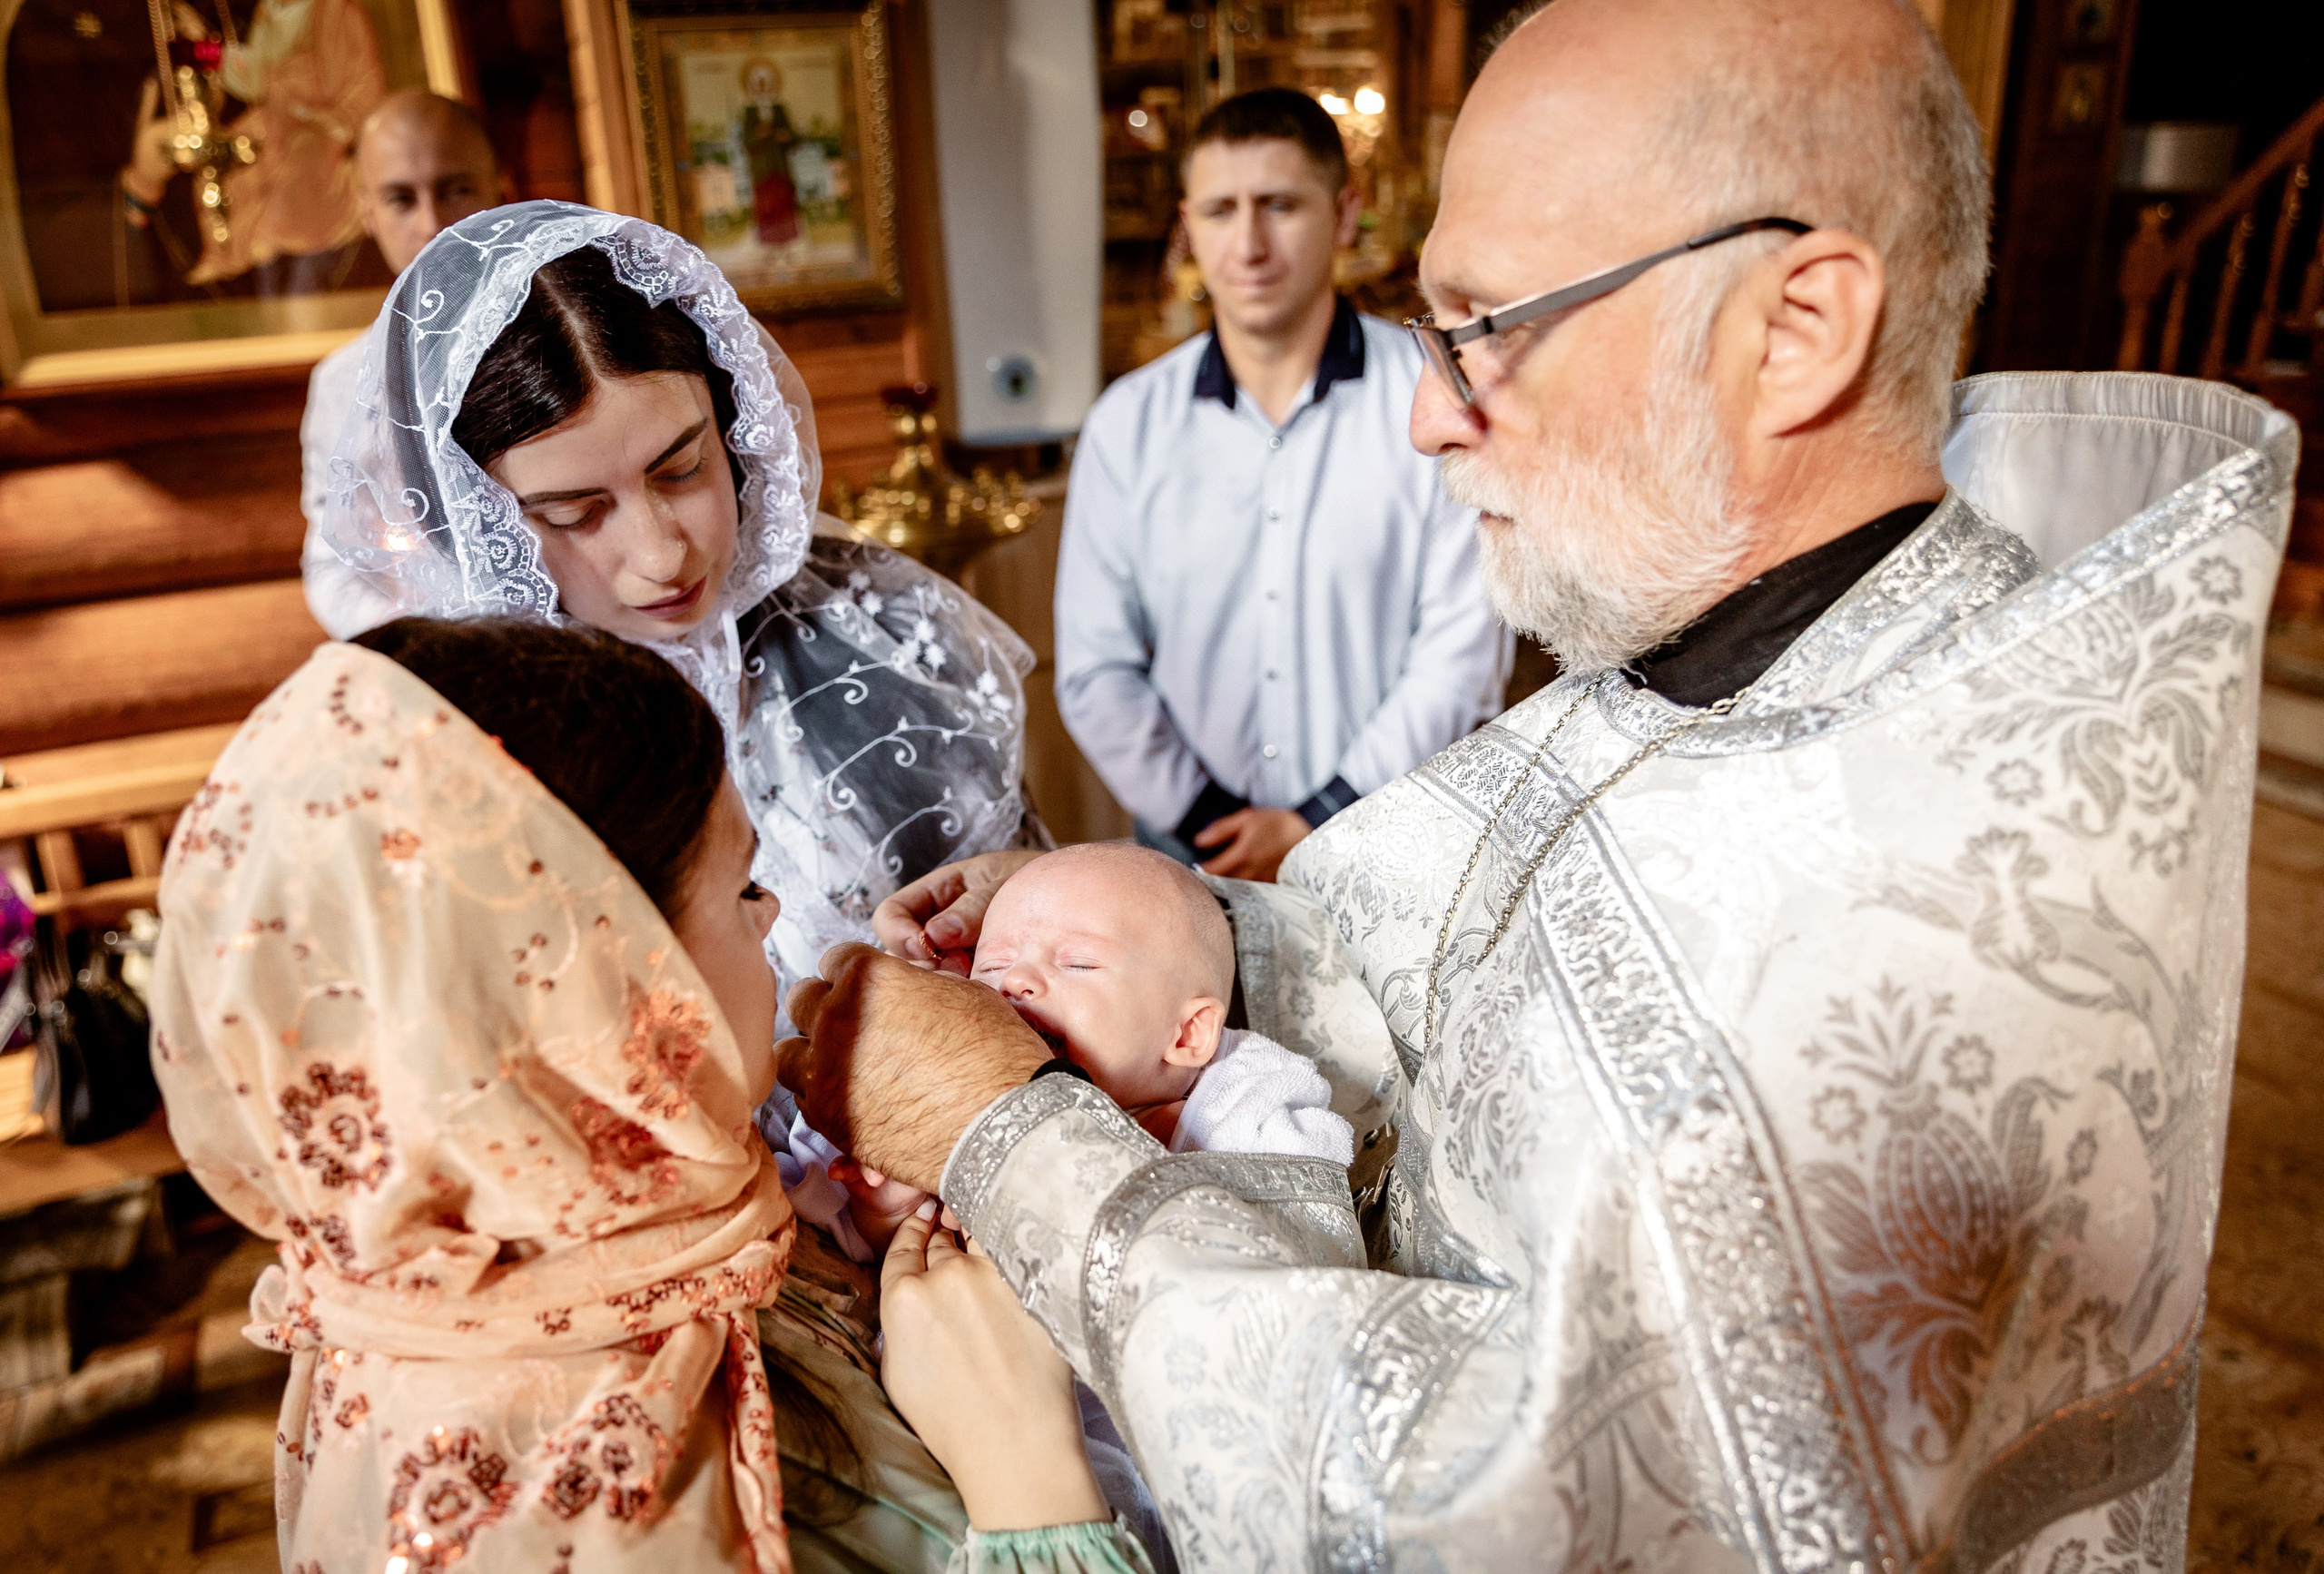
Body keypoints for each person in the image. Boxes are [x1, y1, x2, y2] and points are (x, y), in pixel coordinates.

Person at [776, 0, 2296, 1565]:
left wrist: (1005, 1117)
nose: (1430, 412)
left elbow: (1511, 1508)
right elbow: (1445, 968)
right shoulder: (1731, 636)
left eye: (1486, 321)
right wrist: (1100, 931)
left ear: (1795, 328)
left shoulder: (1936, 897)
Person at [150, 621, 1153, 1573]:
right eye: (741, 889)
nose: (771, 921)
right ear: (596, 991)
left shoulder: (618, 1218)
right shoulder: (549, 1500)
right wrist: (1031, 1490)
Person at [310, 201, 1041, 1013]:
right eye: (574, 515)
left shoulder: (885, 628)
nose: (661, 554)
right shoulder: (457, 758)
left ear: (733, 425)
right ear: (476, 531)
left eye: (682, 468)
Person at [1053, 87, 1509, 882]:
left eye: (1280, 205)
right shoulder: (1127, 424)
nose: (1250, 245)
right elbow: (1096, 667)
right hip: (1193, 857)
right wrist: (1212, 823)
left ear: (1343, 214)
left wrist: (1319, 818)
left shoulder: (1430, 398)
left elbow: (1461, 656)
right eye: (1221, 210)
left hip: (1393, 839)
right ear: (1187, 224)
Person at [970, 842, 1352, 1161]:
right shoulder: (962, 1102)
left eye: (1079, 964)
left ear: (1187, 1035)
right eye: (991, 966)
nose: (1014, 979)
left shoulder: (1243, 1129)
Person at [300, 90, 506, 639]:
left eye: (456, 189)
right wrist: (426, 649)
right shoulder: (344, 383)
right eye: (400, 199)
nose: (433, 223)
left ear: (498, 190)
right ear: (367, 210)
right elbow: (333, 563)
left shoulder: (575, 337)